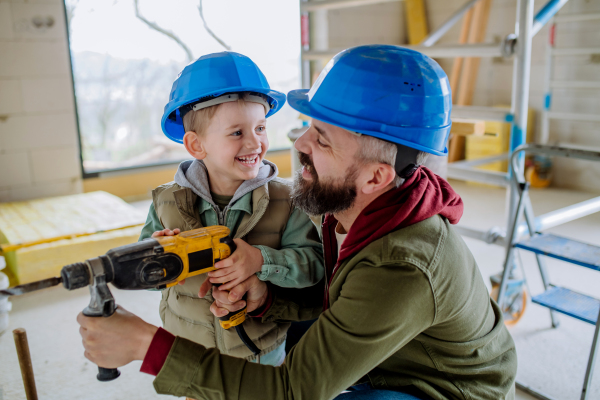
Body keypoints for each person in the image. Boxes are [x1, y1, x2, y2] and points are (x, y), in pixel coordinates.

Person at [78, 45, 517, 400]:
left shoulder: (401, 267)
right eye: (307, 125)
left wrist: (145, 346)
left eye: (320, 139)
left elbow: (292, 392)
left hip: (437, 388)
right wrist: (265, 298)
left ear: (375, 177)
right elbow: (332, 298)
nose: (297, 142)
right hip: (393, 353)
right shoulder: (351, 205)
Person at [138, 51, 324, 367]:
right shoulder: (166, 203)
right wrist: (159, 259)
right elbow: (143, 272)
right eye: (237, 132)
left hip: (260, 353)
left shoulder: (286, 201)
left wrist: (262, 261)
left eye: (260, 128)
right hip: (189, 354)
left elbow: (314, 267)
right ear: (197, 145)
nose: (254, 143)